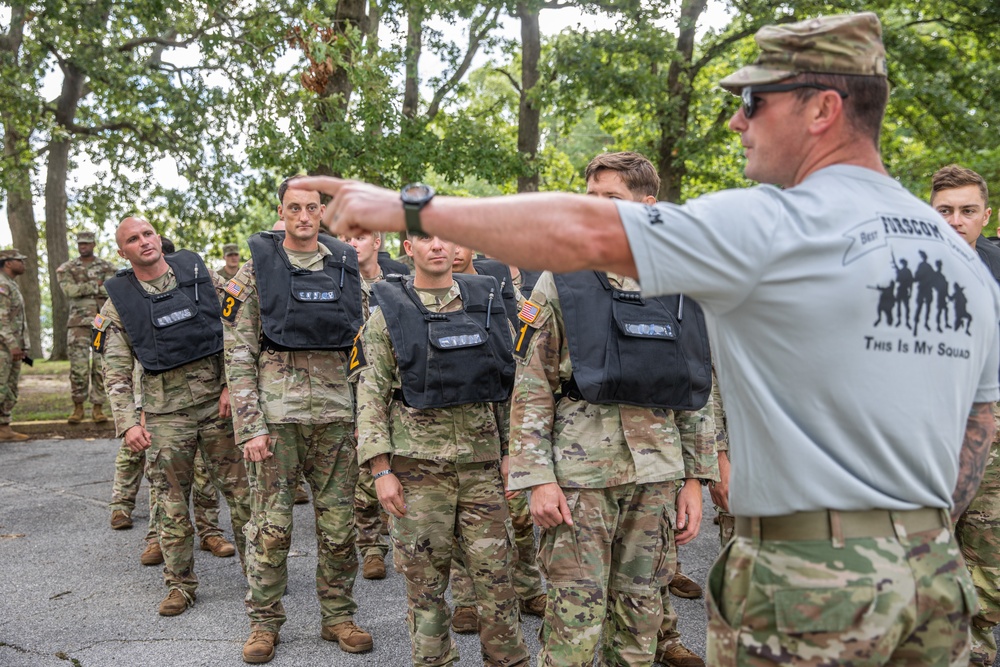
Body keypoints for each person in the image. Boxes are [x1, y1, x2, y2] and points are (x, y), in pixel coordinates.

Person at [299, 12, 1000, 665]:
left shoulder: (781, 224)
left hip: (808, 582)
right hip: (931, 574)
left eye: (756, 101)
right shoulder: (956, 256)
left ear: (823, 109)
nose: (736, 119)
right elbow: (981, 422)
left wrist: (407, 209)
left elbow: (585, 233)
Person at [506, 151, 717, 667]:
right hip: (580, 480)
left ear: (647, 207)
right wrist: (538, 478)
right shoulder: (561, 280)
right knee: (574, 624)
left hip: (656, 480)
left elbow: (694, 391)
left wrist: (695, 478)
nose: (597, 208)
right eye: (591, 198)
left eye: (613, 200)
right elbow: (530, 386)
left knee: (641, 619)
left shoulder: (681, 289)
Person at [353, 232, 529, 667]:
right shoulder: (386, 316)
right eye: (424, 238)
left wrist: (512, 454)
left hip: (482, 466)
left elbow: (509, 388)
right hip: (417, 471)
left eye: (446, 237)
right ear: (408, 248)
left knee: (498, 582)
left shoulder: (486, 307)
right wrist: (380, 470)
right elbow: (371, 395)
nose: (438, 245)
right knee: (426, 589)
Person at [224, 179, 372, 663]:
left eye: (312, 208)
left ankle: (339, 617)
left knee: (338, 525)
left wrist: (366, 419)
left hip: (336, 416)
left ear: (323, 212)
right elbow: (239, 352)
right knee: (270, 527)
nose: (304, 217)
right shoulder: (256, 270)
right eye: (295, 208)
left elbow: (366, 350)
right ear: (281, 212)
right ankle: (264, 624)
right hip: (276, 418)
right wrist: (250, 425)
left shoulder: (346, 267)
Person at [97, 216, 251, 617]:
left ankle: (260, 577)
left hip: (218, 404)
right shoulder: (118, 302)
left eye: (148, 234)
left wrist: (232, 386)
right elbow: (113, 369)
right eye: (134, 239)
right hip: (165, 413)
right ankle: (180, 584)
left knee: (243, 495)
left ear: (158, 239)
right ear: (123, 251)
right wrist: (128, 422)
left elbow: (237, 327)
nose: (144, 242)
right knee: (170, 503)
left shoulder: (201, 274)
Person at [446, 245, 547, 632]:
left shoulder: (499, 286)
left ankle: (527, 587)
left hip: (502, 412)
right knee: (459, 519)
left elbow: (529, 327)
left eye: (458, 239)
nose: (450, 249)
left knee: (518, 515)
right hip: (454, 419)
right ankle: (466, 600)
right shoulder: (420, 292)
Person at [930, 164, 1000, 666]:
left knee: (987, 552)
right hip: (926, 434)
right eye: (945, 211)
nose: (956, 221)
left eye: (967, 211)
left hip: (991, 439)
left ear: (985, 215)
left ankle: (976, 650)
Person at [341, 229, 393, 581]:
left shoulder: (397, 286)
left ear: (377, 242)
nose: (353, 242)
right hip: (349, 386)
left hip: (391, 387)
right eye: (346, 236)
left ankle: (400, 538)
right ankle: (371, 546)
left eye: (361, 236)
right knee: (361, 476)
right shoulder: (337, 284)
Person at [56, 231, 116, 425]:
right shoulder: (68, 268)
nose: (84, 247)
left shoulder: (107, 267)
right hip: (78, 325)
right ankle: (78, 406)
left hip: (100, 322)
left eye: (87, 243)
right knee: (79, 368)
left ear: (93, 244)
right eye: (81, 244)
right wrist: (96, 285)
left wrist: (85, 287)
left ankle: (98, 407)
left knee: (100, 366)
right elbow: (69, 290)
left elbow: (111, 288)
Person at [0, 249, 29, 442]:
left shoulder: (11, 284)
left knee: (9, 388)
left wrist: (22, 345)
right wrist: (12, 345)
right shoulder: (2, 284)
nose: (23, 264)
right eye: (20, 260)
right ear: (8, 263)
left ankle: (4, 428)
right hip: (3, 347)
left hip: (12, 346)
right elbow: (1, 319)